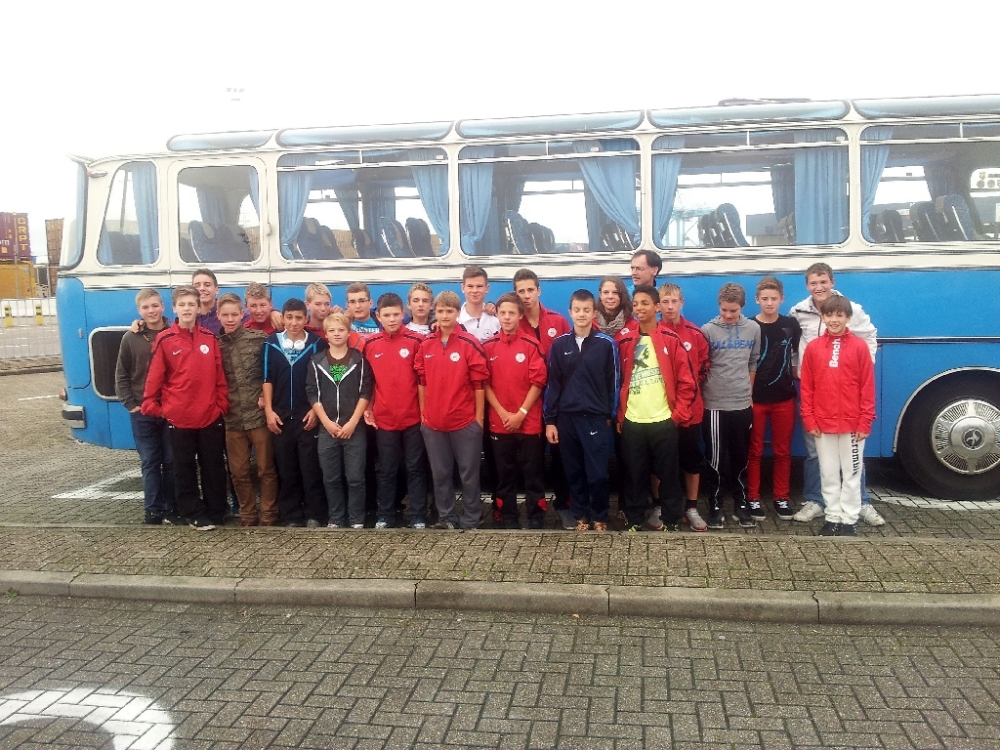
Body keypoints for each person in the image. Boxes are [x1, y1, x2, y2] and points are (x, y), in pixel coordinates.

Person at [789, 263, 885, 526]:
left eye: (823, 282)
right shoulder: (798, 311)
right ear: (807, 285)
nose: (819, 287)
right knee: (816, 454)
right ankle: (817, 501)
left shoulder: (852, 309)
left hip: (848, 399)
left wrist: (854, 368)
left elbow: (870, 338)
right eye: (813, 283)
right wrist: (797, 368)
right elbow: (792, 345)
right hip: (817, 397)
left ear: (832, 281)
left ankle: (860, 503)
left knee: (852, 459)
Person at [141, 286, 229, 530]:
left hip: (210, 415)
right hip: (179, 419)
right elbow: (155, 377)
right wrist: (157, 407)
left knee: (214, 466)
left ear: (198, 307)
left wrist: (221, 404)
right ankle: (193, 512)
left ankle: (216, 510)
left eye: (191, 304)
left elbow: (219, 375)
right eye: (182, 305)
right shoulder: (165, 340)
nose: (187, 309)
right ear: (174, 308)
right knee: (184, 469)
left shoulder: (209, 338)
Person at [616, 286, 697, 532]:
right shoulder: (625, 341)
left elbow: (687, 382)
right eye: (636, 304)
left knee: (668, 475)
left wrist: (677, 416)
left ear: (657, 307)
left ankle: (671, 520)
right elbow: (617, 381)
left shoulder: (671, 340)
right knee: (634, 474)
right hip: (633, 420)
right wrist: (621, 416)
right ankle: (634, 519)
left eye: (645, 303)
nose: (639, 308)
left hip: (664, 420)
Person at [799, 295, 876, 536]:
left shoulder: (860, 347)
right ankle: (832, 516)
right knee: (828, 472)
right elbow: (807, 387)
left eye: (839, 315)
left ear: (848, 318)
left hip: (852, 425)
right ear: (823, 317)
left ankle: (849, 519)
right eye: (829, 315)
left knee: (852, 473)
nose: (834, 320)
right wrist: (809, 418)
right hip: (823, 424)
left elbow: (867, 386)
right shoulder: (813, 348)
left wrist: (865, 421)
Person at [544, 289, 619, 532]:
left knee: (598, 473)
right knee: (574, 471)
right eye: (577, 310)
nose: (581, 314)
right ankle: (581, 516)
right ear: (570, 312)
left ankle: (600, 515)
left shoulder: (606, 344)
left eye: (586, 310)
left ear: (594, 312)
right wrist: (550, 420)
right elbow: (553, 385)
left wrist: (609, 414)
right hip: (567, 419)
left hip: (595, 418)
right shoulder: (559, 345)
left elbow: (613, 382)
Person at [414, 290, 489, 530]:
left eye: (450, 311)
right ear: (435, 312)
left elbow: (479, 383)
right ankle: (446, 518)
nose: (445, 315)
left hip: (465, 422)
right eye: (441, 311)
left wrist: (478, 420)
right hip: (434, 424)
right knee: (440, 474)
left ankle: (472, 518)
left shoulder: (470, 343)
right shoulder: (426, 344)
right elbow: (422, 381)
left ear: (458, 313)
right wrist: (424, 415)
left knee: (469, 474)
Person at [364, 292, 429, 529]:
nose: (391, 319)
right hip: (384, 419)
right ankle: (385, 515)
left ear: (403, 314)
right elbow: (368, 382)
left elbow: (423, 380)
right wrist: (368, 408)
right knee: (387, 469)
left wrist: (424, 412)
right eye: (387, 315)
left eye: (395, 314)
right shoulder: (370, 344)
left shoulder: (416, 341)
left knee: (415, 468)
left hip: (413, 418)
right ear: (378, 316)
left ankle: (418, 516)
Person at [483, 293, 548, 529]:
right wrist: (502, 413)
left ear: (520, 315)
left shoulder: (532, 345)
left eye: (512, 313)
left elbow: (538, 382)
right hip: (499, 422)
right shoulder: (488, 346)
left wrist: (521, 413)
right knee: (504, 474)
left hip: (528, 421)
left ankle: (535, 515)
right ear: (498, 315)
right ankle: (507, 515)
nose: (507, 317)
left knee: (533, 473)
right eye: (503, 313)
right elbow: (484, 383)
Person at [115, 288, 179, 526]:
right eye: (146, 307)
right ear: (139, 311)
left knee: (171, 461)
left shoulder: (174, 334)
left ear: (163, 307)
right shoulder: (130, 338)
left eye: (155, 305)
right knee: (150, 460)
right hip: (142, 411)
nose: (151, 311)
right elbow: (122, 373)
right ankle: (153, 510)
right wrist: (130, 404)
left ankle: (172, 507)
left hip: (170, 409)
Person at [512, 268, 570, 527]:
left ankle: (564, 505)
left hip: (557, 402)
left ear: (539, 290)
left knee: (561, 457)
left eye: (530, 290)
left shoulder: (558, 321)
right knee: (531, 462)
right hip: (528, 402)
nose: (526, 296)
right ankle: (534, 512)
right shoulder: (513, 322)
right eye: (520, 291)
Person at [701, 282, 761, 530]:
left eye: (733, 311)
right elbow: (703, 366)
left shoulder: (753, 329)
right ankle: (715, 504)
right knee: (715, 458)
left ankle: (741, 503)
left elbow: (753, 362)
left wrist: (749, 393)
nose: (728, 315)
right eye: (724, 310)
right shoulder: (707, 330)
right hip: (714, 404)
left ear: (742, 307)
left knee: (740, 457)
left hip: (741, 404)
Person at [262, 298, 327, 527]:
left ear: (306, 318)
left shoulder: (317, 343)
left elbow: (323, 381)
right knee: (286, 468)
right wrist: (269, 411)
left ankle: (314, 513)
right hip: (280, 416)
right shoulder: (271, 343)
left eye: (299, 317)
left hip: (307, 415)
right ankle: (292, 515)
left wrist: (315, 410)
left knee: (310, 467)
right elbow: (267, 379)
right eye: (289, 317)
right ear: (283, 318)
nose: (294, 322)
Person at [217, 292, 279, 527]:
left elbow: (272, 371)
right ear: (218, 315)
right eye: (225, 315)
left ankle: (270, 514)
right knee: (239, 472)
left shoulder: (260, 339)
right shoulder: (216, 345)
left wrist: (266, 395)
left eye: (234, 314)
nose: (230, 319)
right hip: (232, 418)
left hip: (258, 416)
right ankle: (248, 515)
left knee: (266, 469)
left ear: (242, 314)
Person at [307, 312, 373, 529]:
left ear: (348, 333)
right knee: (331, 477)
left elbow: (365, 391)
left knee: (355, 477)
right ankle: (335, 517)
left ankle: (356, 519)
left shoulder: (359, 360)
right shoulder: (317, 361)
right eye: (332, 330)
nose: (337, 334)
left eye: (341, 330)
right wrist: (326, 422)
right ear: (325, 334)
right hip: (327, 429)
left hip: (354, 428)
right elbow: (312, 392)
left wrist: (353, 422)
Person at [746, 277, 801, 521]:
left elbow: (798, 354)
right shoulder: (749, 325)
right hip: (755, 400)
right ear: (757, 299)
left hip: (784, 398)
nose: (769, 303)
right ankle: (753, 497)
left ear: (782, 299)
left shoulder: (790, 325)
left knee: (782, 451)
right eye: (765, 299)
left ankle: (781, 497)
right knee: (754, 451)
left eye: (774, 299)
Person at [658, 282, 710, 531]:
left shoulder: (695, 334)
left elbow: (703, 367)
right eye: (665, 302)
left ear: (682, 303)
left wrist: (684, 397)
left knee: (691, 460)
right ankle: (660, 506)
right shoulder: (652, 333)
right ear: (658, 305)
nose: (670, 307)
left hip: (690, 411)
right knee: (659, 462)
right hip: (659, 411)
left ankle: (691, 507)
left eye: (674, 301)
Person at [192, 268, 248, 335]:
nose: (202, 288)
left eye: (207, 285)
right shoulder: (189, 315)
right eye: (197, 286)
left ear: (217, 290)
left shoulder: (229, 312)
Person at [458, 266, 500, 342]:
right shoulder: (456, 320)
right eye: (470, 286)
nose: (475, 290)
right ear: (463, 288)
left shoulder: (497, 320)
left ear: (487, 288)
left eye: (479, 286)